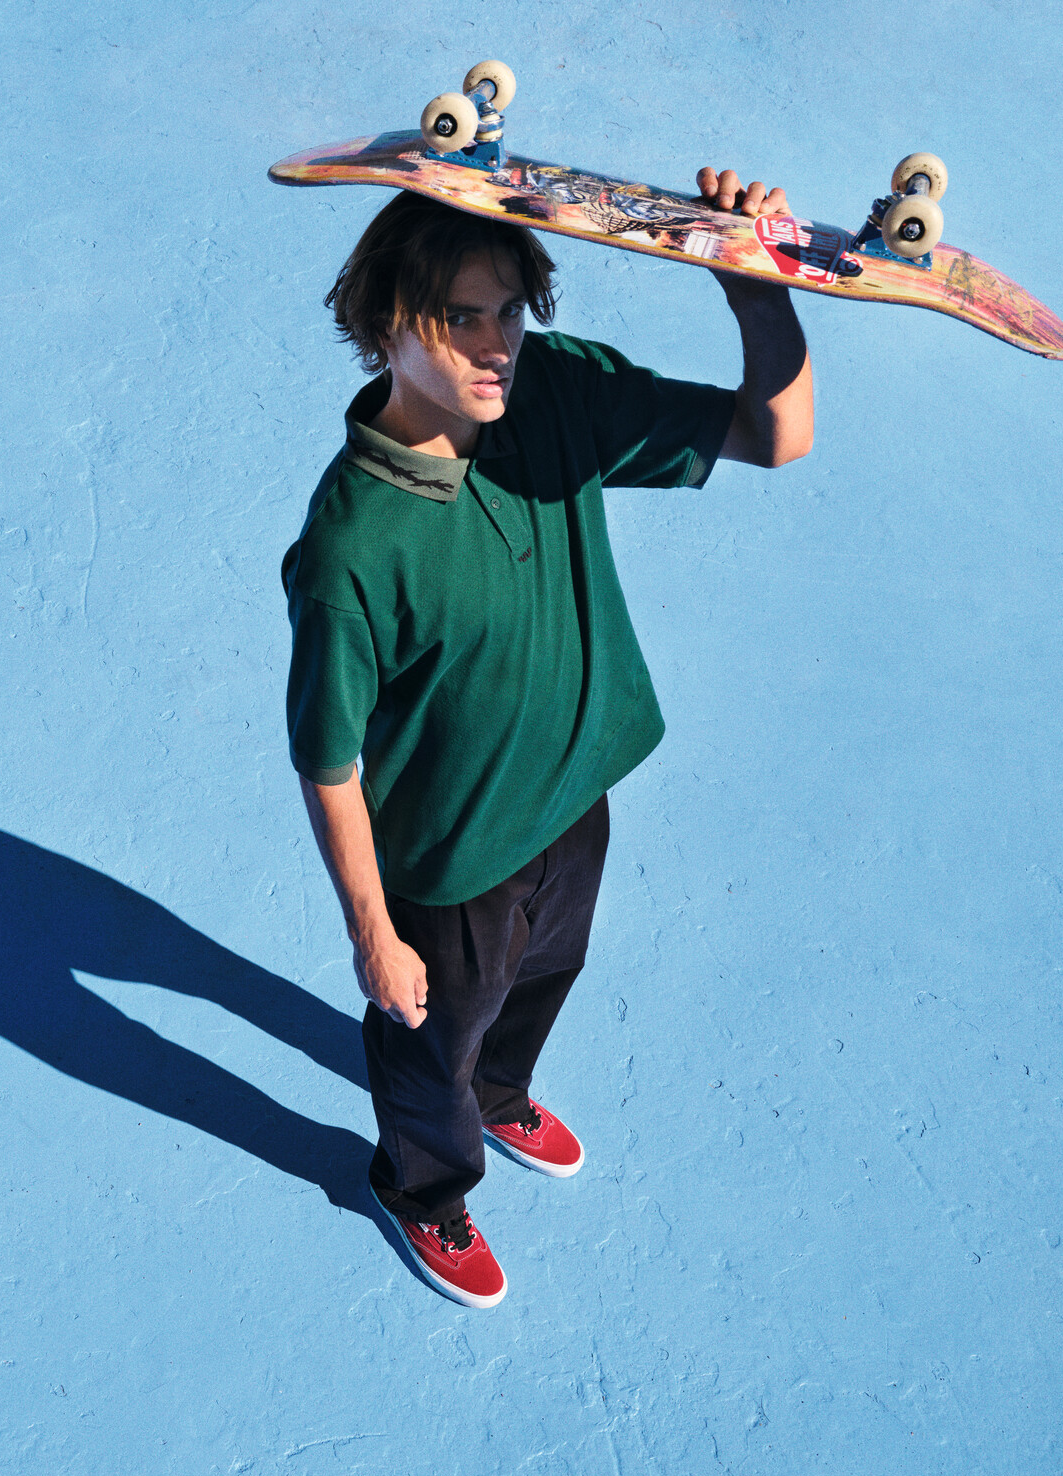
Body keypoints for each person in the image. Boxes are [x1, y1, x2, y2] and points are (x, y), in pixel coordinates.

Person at [284, 169, 813, 1308]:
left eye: (507, 312)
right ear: (385, 326)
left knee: (548, 971)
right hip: (453, 860)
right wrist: (373, 935)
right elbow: (326, 762)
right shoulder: (348, 549)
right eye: (458, 318)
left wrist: (754, 294)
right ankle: (419, 1185)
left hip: (575, 794)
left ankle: (502, 1089)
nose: (494, 347)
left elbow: (777, 435)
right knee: (430, 1045)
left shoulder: (553, 392)